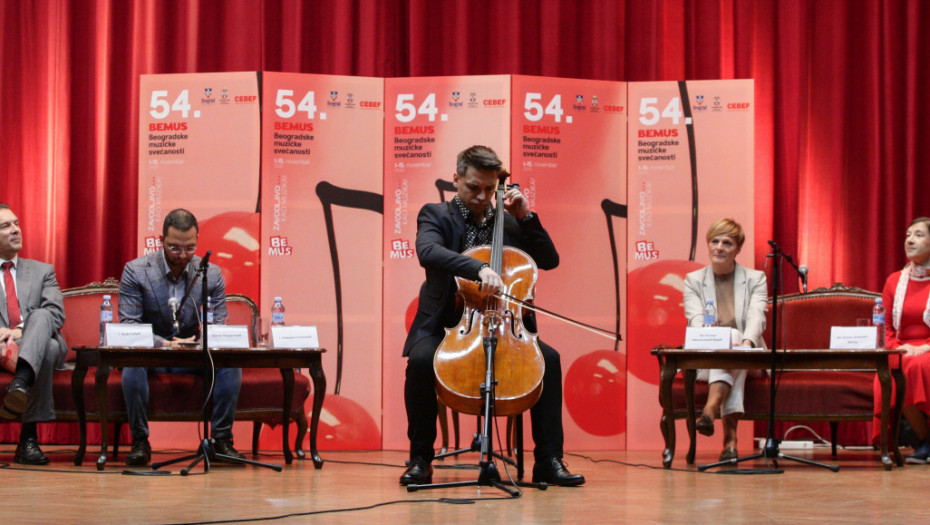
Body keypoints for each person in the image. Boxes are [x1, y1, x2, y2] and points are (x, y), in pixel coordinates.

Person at [400, 145, 584, 487]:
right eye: (474, 188)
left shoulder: (510, 221)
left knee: (550, 360)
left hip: (505, 323)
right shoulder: (435, 214)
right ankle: (421, 458)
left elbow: (549, 259)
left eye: (489, 188)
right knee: (421, 362)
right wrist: (479, 267)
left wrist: (526, 217)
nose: (483, 196)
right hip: (449, 322)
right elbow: (428, 251)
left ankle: (548, 460)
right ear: (457, 179)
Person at [118, 208, 244, 466]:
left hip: (190, 352)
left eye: (189, 248)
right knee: (132, 362)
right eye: (174, 248)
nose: (183, 256)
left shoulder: (210, 273)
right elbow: (130, 324)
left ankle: (221, 440)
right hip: (151, 353)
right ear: (161, 239)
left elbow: (218, 324)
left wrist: (201, 342)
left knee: (229, 363)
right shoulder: (136, 270)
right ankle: (140, 440)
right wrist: (163, 343)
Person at [683, 218, 768, 462]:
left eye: (727, 243)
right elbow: (695, 319)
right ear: (708, 245)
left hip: (746, 353)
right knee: (729, 344)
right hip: (707, 354)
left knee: (735, 342)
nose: (719, 247)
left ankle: (710, 410)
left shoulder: (755, 279)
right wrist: (717, 342)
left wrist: (747, 343)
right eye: (715, 241)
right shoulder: (694, 280)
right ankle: (729, 441)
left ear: (738, 249)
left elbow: (757, 316)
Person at [0, 203, 68, 465]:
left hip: (33, 342)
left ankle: (20, 384)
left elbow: (56, 314)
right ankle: (28, 442)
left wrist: (20, 331)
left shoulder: (42, 271)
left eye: (16, 223)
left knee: (43, 323)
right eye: (6, 226)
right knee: (46, 350)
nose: (16, 230)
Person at [873, 217, 930, 463]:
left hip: (928, 348)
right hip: (902, 348)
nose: (909, 239)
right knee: (898, 367)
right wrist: (898, 348)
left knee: (921, 365)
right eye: (908, 234)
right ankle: (926, 439)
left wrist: (925, 347)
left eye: (918, 234)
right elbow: (883, 326)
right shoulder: (894, 280)